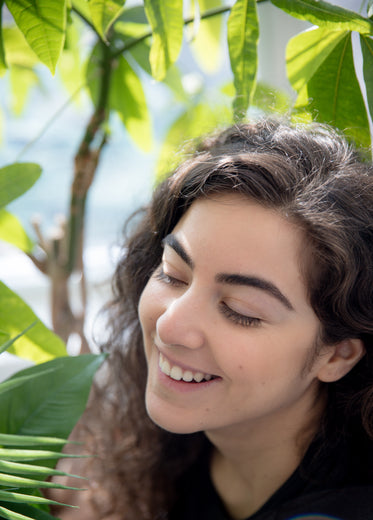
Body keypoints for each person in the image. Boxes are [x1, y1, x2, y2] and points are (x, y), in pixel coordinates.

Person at [55, 118, 373, 520]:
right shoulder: (169, 445)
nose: (170, 326)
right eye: (172, 274)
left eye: (240, 311)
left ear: (337, 355)